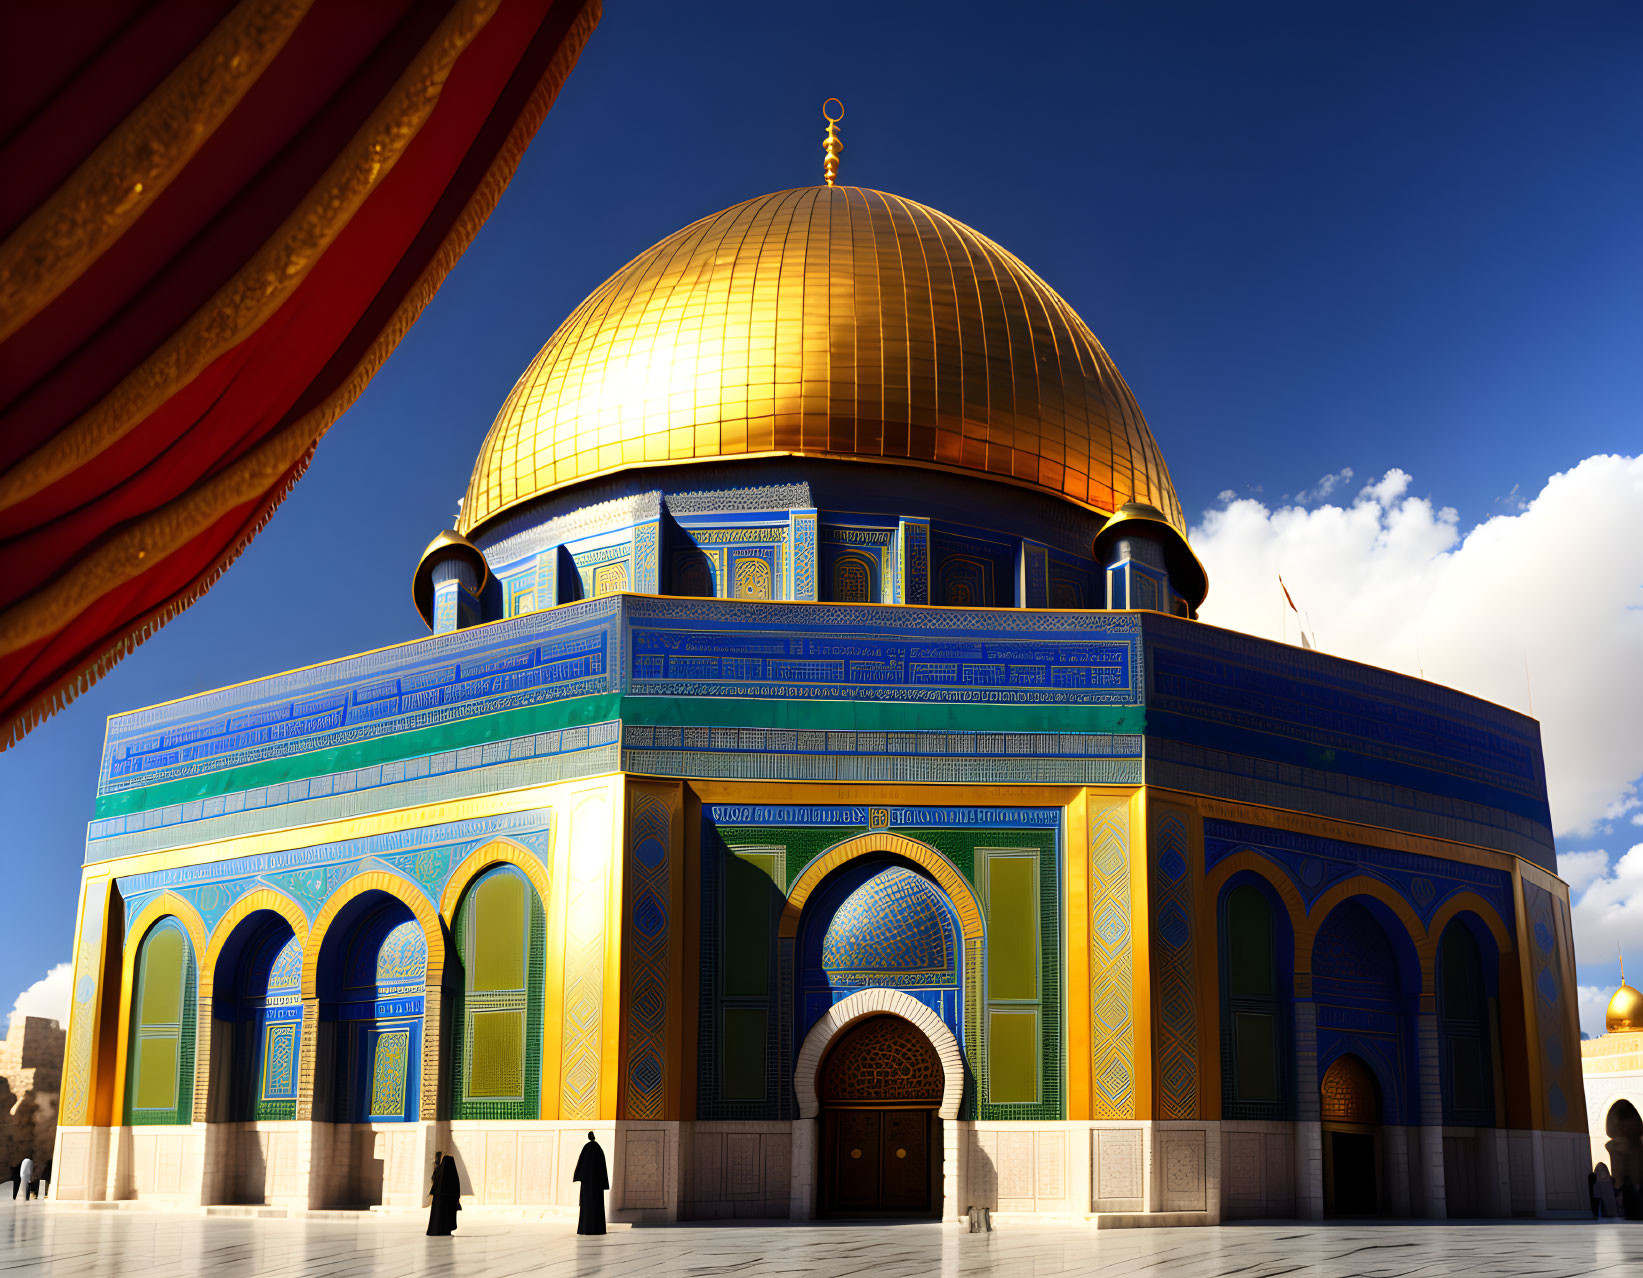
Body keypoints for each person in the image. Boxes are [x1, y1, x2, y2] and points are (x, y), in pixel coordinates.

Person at [572, 1132, 608, 1235]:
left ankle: (585, 1229)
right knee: (597, 1206)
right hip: (597, 1185)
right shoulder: (598, 1149)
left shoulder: (586, 1149)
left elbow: (581, 1165)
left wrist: (579, 1177)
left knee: (587, 1206)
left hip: (587, 1185)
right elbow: (603, 1168)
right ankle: (598, 1229)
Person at [426, 1152, 461, 1236]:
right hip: (449, 1199)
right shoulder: (453, 1174)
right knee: (447, 1215)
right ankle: (446, 1230)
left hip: (438, 1197)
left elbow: (434, 1181)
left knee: (437, 1215)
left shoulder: (439, 1172)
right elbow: (456, 1188)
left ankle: (435, 1230)